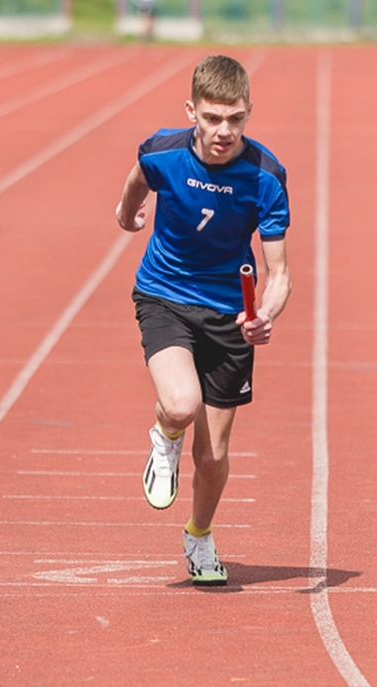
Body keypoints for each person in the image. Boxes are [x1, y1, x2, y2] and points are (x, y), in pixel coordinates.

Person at [116, 55, 289, 587]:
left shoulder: (265, 175)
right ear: (191, 110)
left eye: (235, 119)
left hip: (229, 315)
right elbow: (135, 183)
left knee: (213, 455)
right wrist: (127, 217)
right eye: (212, 118)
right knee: (181, 403)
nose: (223, 131)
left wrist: (264, 314)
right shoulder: (163, 151)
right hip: (164, 295)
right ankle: (164, 433)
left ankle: (199, 536)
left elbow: (279, 271)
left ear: (249, 114)